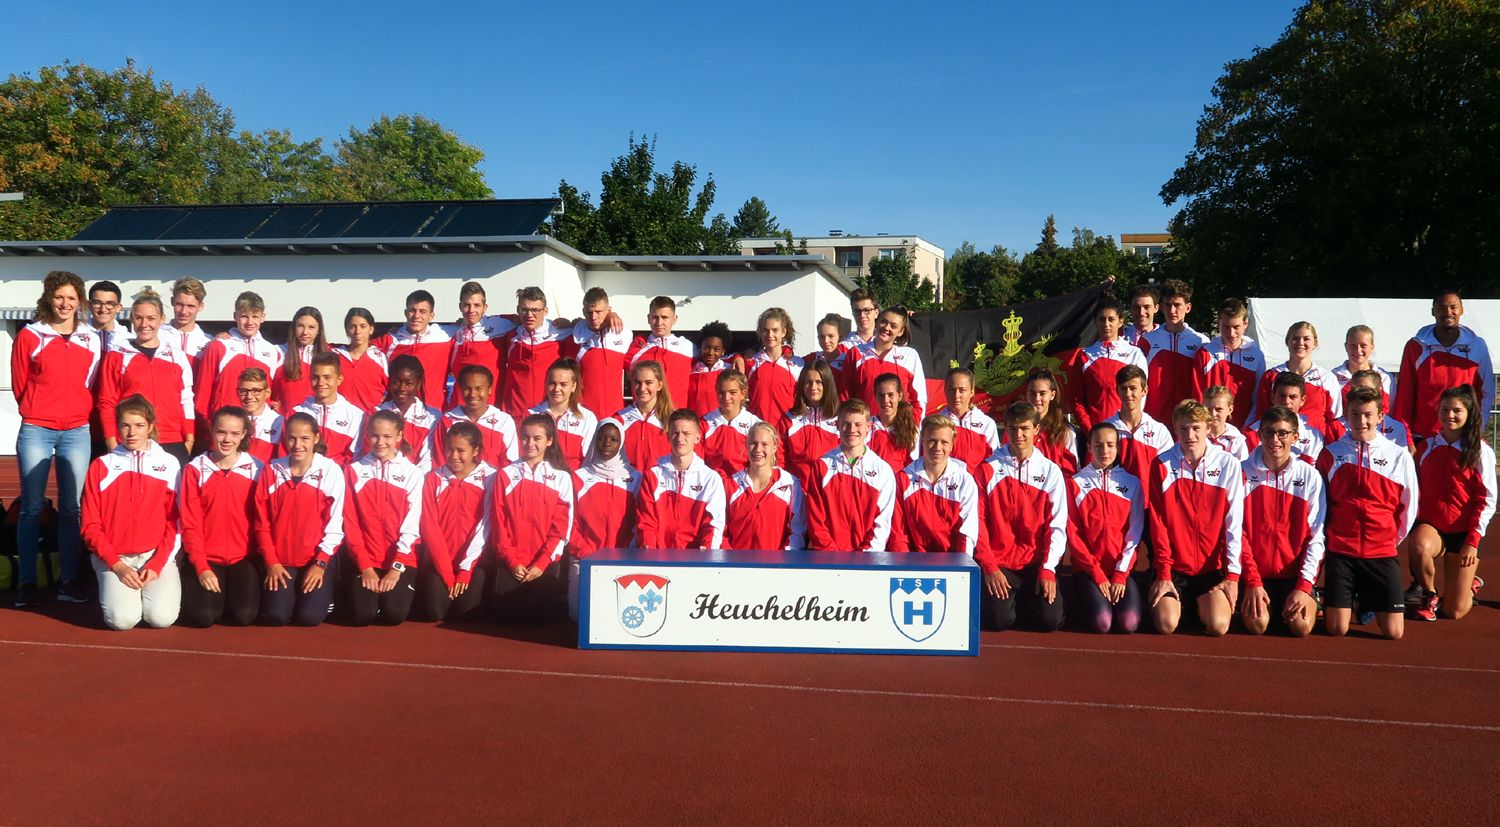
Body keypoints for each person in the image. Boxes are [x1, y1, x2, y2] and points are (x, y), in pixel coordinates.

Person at [12, 271, 101, 607]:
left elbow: (89, 382)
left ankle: (68, 580)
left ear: (80, 302)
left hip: (76, 431)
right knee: (31, 507)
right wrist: (37, 410)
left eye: (71, 298)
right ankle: (27, 583)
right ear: (49, 298)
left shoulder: (91, 338)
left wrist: (73, 411)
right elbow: (20, 383)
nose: (65, 304)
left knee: (71, 508)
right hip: (37, 428)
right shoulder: (30, 335)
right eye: (59, 297)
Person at [1317, 386, 1416, 640]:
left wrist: (1390, 539)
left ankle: (1366, 598)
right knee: (1337, 629)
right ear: (1347, 416)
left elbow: (1409, 506)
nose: (1361, 421)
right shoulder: (1331, 453)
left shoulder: (1398, 456)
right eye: (1355, 414)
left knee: (1394, 632)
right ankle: (1353, 595)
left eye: (1368, 415)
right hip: (1342, 551)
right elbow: (1322, 504)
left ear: (1380, 416)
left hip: (1381, 551)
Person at [81, 395, 181, 630]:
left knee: (161, 618)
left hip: (154, 555)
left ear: (150, 427)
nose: (132, 433)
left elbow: (175, 521)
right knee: (122, 621)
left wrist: (157, 564)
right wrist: (117, 565)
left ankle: (146, 594)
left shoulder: (169, 464)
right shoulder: (101, 466)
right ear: (118, 427)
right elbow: (89, 525)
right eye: (125, 425)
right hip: (116, 558)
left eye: (139, 425)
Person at [1147, 401, 1245, 637]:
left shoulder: (1228, 464)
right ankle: (1176, 602)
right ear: (1175, 428)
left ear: (1208, 428)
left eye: (1196, 428)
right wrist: (1163, 573)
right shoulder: (1161, 464)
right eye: (1183, 428)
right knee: (1166, 624)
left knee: (1218, 625)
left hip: (1211, 569)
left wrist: (1232, 576)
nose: (1189, 435)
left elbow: (1234, 524)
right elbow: (1158, 524)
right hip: (1174, 568)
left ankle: (1194, 606)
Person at [974, 401, 1067, 632]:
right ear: (1005, 429)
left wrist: (1048, 568)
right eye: (1013, 429)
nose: (1018, 435)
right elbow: (978, 522)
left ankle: (1024, 602)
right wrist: (989, 567)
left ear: (1036, 429)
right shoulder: (987, 468)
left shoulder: (1050, 471)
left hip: (1035, 564)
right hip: (1000, 564)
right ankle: (1013, 605)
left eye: (1025, 428)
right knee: (998, 621)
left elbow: (1056, 526)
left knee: (1049, 621)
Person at [1405, 385, 1495, 621]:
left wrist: (1473, 542)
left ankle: (1470, 586)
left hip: (1464, 533)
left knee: (1454, 611)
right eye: (1444, 409)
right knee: (1419, 546)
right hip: (1433, 526)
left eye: (1457, 410)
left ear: (1469, 413)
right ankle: (1429, 594)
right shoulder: (1426, 447)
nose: (1450, 415)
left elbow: (1487, 500)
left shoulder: (1479, 451)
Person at [253, 412, 346, 627]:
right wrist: (272, 563)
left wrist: (320, 563)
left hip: (315, 560)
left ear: (316, 438)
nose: (297, 445)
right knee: (275, 617)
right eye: (292, 438)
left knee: (309, 618)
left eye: (304, 438)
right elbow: (261, 524)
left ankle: (327, 595)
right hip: (280, 561)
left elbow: (335, 526)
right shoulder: (271, 470)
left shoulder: (330, 471)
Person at [1239, 406, 1325, 637]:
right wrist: (1253, 581)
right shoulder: (1242, 472)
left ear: (1295, 437)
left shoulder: (1309, 476)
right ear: (1260, 435)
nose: (1275, 439)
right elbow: (1237, 533)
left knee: (1301, 628)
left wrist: (1303, 586)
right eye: (1268, 432)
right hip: (1256, 575)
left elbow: (1316, 536)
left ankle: (1311, 595)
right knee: (1258, 625)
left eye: (1282, 433)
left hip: (1293, 576)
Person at [177, 406, 263, 627]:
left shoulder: (257, 468)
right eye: (221, 432)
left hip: (243, 557)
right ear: (212, 431)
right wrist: (201, 567)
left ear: (244, 434)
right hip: (207, 558)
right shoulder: (195, 469)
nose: (227, 439)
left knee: (244, 616)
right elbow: (190, 523)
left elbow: (263, 520)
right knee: (204, 617)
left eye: (234, 433)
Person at [97, 288, 195, 464]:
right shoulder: (117, 355)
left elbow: (186, 400)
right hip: (131, 439)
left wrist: (189, 439)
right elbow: (107, 402)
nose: (144, 324)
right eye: (138, 318)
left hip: (172, 440)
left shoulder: (177, 356)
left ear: (161, 319)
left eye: (151, 318)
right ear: (131, 319)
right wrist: (112, 442)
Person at [491, 414, 575, 621]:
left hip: (544, 563)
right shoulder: (505, 475)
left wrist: (541, 564)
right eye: (525, 438)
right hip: (512, 563)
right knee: (505, 620)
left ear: (549, 440)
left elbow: (561, 529)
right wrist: (512, 561)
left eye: (537, 438)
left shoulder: (562, 478)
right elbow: (498, 523)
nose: (530, 444)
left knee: (539, 621)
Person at [342, 410, 422, 626]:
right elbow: (350, 523)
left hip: (400, 559)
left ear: (399, 436)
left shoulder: (413, 473)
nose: (380, 442)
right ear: (367, 435)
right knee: (362, 616)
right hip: (366, 559)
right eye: (375, 436)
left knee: (393, 615)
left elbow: (412, 525)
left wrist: (396, 569)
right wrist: (365, 566)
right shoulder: (353, 471)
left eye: (387, 436)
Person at [1066, 422, 1145, 634]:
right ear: (1089, 447)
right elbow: (1073, 535)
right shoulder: (1075, 482)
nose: (1104, 451)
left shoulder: (1132, 483)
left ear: (1117, 447)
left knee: (1129, 623)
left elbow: (1134, 533)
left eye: (1110, 445)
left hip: (1120, 570)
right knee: (1103, 623)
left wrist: (1120, 574)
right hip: (1088, 571)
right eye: (1098, 445)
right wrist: (1097, 574)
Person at [414, 421, 494, 622]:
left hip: (474, 562)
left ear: (476, 451)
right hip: (441, 561)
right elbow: (429, 526)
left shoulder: (491, 477)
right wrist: (446, 572)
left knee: (465, 614)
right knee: (435, 612)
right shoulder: (434, 478)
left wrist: (466, 570)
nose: (454, 456)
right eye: (449, 449)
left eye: (461, 450)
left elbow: (486, 526)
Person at [1393, 289, 1494, 441]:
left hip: (1463, 438)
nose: (1448, 312)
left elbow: (1487, 392)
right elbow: (1404, 395)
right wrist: (1406, 438)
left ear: (1461, 310)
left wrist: (1478, 431)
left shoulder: (1477, 345)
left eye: (1453, 307)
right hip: (1424, 437)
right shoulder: (1415, 346)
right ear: (1433, 311)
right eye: (1442, 307)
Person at [568, 422, 643, 619]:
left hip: (624, 560)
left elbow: (641, 521)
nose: (606, 443)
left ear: (621, 443)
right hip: (584, 559)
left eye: (613, 439)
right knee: (579, 617)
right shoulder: (578, 477)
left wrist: (627, 553)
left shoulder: (635, 478)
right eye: (601, 438)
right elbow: (569, 523)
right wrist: (587, 554)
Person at [805, 400, 898, 552]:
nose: (851, 430)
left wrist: (865, 556)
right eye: (846, 424)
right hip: (828, 559)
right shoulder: (821, 466)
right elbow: (816, 521)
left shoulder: (883, 470)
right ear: (837, 425)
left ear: (869, 426)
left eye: (858, 424)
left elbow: (882, 524)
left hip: (867, 559)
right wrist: (831, 556)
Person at [636, 410, 727, 550]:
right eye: (675, 433)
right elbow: (646, 522)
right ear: (668, 436)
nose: (680, 438)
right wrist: (648, 551)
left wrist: (707, 552)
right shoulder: (652, 476)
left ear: (697, 438)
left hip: (696, 558)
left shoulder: (711, 479)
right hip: (658, 557)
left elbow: (713, 524)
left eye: (686, 433)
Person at [890, 415, 980, 556]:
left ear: (952, 444)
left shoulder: (964, 480)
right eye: (932, 441)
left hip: (953, 561)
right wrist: (903, 563)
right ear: (922, 440)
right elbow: (898, 531)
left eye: (944, 442)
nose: (938, 448)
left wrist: (962, 565)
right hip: (913, 560)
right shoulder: (903, 478)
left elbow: (967, 531)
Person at [194, 291, 282, 431]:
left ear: (263, 317)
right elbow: (202, 395)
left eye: (255, 316)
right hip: (225, 429)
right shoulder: (218, 346)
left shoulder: (272, 351)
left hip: (259, 429)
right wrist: (207, 428)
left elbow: (271, 394)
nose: (250, 322)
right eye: (244, 316)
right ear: (235, 316)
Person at [1065, 298, 1148, 431]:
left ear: (1120, 321)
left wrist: (1132, 429)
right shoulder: (1084, 356)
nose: (1106, 324)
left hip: (1127, 432)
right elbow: (1076, 400)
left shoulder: (1135, 354)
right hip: (1095, 434)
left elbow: (1141, 397)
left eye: (1111, 319)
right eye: (1102, 319)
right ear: (1095, 322)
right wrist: (1090, 431)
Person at [723, 422, 806, 552]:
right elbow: (721, 531)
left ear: (774, 448)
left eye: (765, 444)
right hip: (735, 563)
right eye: (753, 443)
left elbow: (797, 533)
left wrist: (784, 560)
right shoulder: (730, 484)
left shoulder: (791, 484)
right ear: (746, 446)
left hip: (777, 563)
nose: (758, 449)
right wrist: (729, 558)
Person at [1256, 321, 1343, 439]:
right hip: (1279, 441)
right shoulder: (1271, 376)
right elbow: (1261, 414)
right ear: (1287, 342)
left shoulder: (1327, 378)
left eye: (1306, 339)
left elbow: (1334, 420)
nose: (1300, 343)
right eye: (1295, 338)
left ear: (1315, 343)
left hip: (1316, 444)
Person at [1140, 279, 1208, 423]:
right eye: (1168, 305)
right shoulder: (1147, 341)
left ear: (1188, 307)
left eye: (1177, 305)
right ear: (1161, 307)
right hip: (1154, 419)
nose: (1172, 311)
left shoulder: (1201, 342)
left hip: (1189, 420)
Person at [373, 289, 454, 409]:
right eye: (412, 310)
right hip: (398, 412)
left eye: (422, 311)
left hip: (433, 413)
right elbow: (359, 350)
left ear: (431, 315)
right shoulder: (391, 339)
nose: (416, 316)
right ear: (406, 313)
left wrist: (462, 321)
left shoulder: (446, 335)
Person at [561, 287, 633, 419]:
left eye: (599, 312)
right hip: (582, 415)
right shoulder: (574, 338)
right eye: (589, 312)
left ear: (608, 310)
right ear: (583, 312)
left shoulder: (623, 336)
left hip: (614, 414)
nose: (594, 317)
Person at [1194, 298, 1265, 429]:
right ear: (1218, 323)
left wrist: (1248, 428)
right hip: (1210, 429)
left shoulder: (1256, 355)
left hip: (1243, 430)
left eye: (1236, 327)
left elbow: (1258, 398)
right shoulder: (1205, 353)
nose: (1231, 333)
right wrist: (1205, 426)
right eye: (1226, 327)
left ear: (1245, 324)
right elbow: (1197, 395)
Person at [842, 306, 928, 414]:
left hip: (899, 424)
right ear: (877, 322)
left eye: (893, 326)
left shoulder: (910, 355)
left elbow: (919, 398)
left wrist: (914, 424)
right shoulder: (856, 353)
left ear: (901, 331)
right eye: (883, 322)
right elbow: (844, 395)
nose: (887, 327)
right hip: (865, 423)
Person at [499, 286, 568, 418]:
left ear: (545, 311)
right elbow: (483, 321)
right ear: (518, 310)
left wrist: (610, 314)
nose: (529, 315)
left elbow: (588, 325)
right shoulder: (510, 336)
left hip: (547, 414)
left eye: (535, 310)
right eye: (524, 310)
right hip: (514, 414)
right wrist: (462, 321)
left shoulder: (561, 334)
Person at [444, 281, 514, 409]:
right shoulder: (453, 331)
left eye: (477, 305)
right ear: (460, 306)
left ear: (485, 307)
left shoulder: (499, 324)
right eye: (467, 305)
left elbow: (525, 319)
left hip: (491, 408)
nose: (471, 310)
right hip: (459, 408)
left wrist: (556, 323)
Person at [1103, 365, 1174, 486]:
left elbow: (1170, 472)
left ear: (1144, 390)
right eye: (1123, 388)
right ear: (1117, 391)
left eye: (1133, 388)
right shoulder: (1105, 430)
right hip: (1116, 496)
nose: (1128, 394)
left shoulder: (1159, 430)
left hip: (1150, 496)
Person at [437, 365, 519, 468]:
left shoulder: (504, 421)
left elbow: (511, 463)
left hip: (493, 478)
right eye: (467, 389)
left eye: (479, 389)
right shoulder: (447, 420)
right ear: (460, 389)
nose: (473, 394)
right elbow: (439, 459)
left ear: (489, 390)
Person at [293, 352, 365, 465]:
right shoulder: (296, 413)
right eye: (315, 377)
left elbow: (355, 459)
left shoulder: (356, 416)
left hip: (338, 474)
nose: (321, 383)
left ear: (339, 379)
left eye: (327, 377)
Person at [778, 360, 841, 490]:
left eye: (819, 382)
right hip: (798, 490)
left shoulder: (841, 418)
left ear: (827, 384)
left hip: (831, 490)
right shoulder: (788, 419)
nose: (813, 387)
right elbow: (780, 459)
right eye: (808, 382)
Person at [628, 296, 695, 413]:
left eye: (665, 317)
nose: (659, 322)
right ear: (648, 318)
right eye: (655, 317)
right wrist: (610, 315)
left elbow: (716, 362)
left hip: (677, 417)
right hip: (646, 418)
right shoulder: (636, 349)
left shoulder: (689, 347)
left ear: (674, 319)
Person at [376, 354, 440, 472]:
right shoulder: (376, 413)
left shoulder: (433, 417)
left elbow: (427, 460)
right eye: (396, 382)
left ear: (418, 384)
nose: (402, 388)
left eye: (409, 383)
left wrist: (411, 479)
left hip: (418, 479)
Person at [528, 358, 595, 469]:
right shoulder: (531, 415)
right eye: (552, 383)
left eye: (563, 384)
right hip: (538, 477)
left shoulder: (587, 418)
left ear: (573, 386)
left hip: (572, 477)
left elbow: (590, 461)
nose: (556, 389)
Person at [1245, 372, 1326, 463]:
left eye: (1293, 397)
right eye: (1281, 396)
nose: (1286, 401)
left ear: (1302, 400)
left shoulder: (1315, 436)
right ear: (1272, 397)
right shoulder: (1251, 434)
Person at [609, 361, 673, 473]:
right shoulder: (619, 419)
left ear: (659, 385)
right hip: (628, 482)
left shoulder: (672, 419)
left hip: (660, 482)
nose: (642, 388)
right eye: (637, 382)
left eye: (648, 383)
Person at [746, 307, 804, 422]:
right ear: (759, 332)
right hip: (758, 430)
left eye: (775, 330)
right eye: (765, 330)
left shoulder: (798, 364)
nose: (770, 335)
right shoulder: (749, 363)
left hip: (787, 429)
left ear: (784, 332)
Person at [934, 368, 999, 468]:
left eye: (962, 390)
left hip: (976, 478)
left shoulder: (986, 424)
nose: (956, 395)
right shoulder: (934, 424)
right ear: (945, 391)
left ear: (972, 391)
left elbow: (994, 462)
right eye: (952, 390)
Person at [701, 370, 762, 478]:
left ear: (743, 393)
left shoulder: (756, 425)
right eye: (721, 393)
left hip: (743, 484)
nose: (726, 398)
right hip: (710, 483)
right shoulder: (704, 423)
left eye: (732, 392)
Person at [1024, 368, 1083, 475]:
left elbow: (1071, 471)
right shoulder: (1017, 428)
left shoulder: (1064, 431)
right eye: (1032, 393)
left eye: (1042, 393)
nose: (1037, 398)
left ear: (1052, 395)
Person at [273, 307, 330, 414]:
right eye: (300, 326)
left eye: (311, 327)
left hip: (317, 420)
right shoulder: (278, 352)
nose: (305, 332)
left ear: (318, 330)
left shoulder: (329, 355)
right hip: (286, 420)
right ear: (294, 328)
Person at [334, 307, 390, 414]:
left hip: (371, 419)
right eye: (352, 327)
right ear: (346, 330)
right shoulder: (335, 355)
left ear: (371, 329)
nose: (357, 331)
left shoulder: (380, 358)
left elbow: (388, 390)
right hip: (340, 418)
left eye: (363, 326)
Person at [1333, 324, 1395, 405]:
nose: (1358, 350)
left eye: (1363, 346)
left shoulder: (1385, 378)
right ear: (1346, 346)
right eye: (1353, 345)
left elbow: (1392, 409)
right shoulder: (1334, 377)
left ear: (1372, 347)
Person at [869, 373, 919, 472]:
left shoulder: (910, 428)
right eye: (880, 395)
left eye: (890, 395)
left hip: (899, 480)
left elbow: (913, 464)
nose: (885, 400)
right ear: (875, 396)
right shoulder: (866, 426)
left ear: (899, 396)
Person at [1346, 369, 1409, 447]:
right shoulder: (1338, 426)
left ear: (1378, 390)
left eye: (1364, 389)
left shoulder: (1396, 428)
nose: (1359, 393)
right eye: (1354, 389)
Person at [687, 320, 737, 418]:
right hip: (695, 422)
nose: (710, 352)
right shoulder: (690, 369)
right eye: (707, 347)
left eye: (716, 349)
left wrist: (738, 357)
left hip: (720, 422)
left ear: (723, 351)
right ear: (700, 347)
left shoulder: (729, 369)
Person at [235, 368, 284, 464]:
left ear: (267, 393)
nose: (249, 396)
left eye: (256, 391)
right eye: (243, 391)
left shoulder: (279, 422)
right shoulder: (232, 420)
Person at [166, 277, 212, 368]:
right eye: (179, 304)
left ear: (201, 306)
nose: (184, 311)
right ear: (172, 301)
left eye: (190, 306)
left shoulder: (208, 342)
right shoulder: (157, 335)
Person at [1203, 385, 1249, 460]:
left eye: (1219, 409)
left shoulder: (1236, 440)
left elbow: (1242, 466)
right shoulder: (1196, 434)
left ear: (1230, 410)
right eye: (1208, 409)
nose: (1213, 414)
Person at [1122, 283, 1159, 347]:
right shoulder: (1120, 336)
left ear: (1156, 308)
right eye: (1136, 307)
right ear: (1130, 308)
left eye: (1147, 307)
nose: (1141, 312)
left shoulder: (1166, 336)